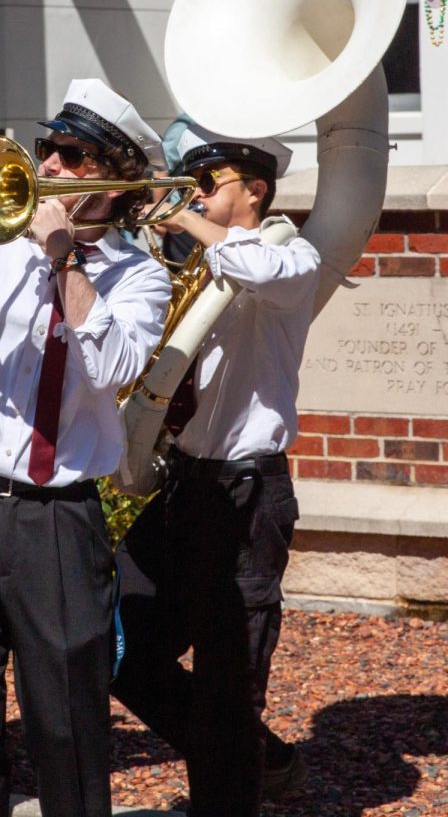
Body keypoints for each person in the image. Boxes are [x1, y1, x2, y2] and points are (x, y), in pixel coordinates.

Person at [0, 78, 172, 817]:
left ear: (115, 181)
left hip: (55, 520)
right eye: (47, 146)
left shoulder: (139, 276)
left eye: (73, 156)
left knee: (68, 729)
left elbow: (112, 367)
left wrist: (63, 260)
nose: (48, 164)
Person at [110, 122, 320, 817]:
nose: (194, 194)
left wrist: (178, 217)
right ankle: (251, 754)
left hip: (247, 492)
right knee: (112, 638)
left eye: (207, 183)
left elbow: (253, 267)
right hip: (186, 483)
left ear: (255, 189)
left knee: (229, 682)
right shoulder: (202, 267)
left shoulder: (293, 259)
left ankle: (232, 776)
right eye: (192, 183)